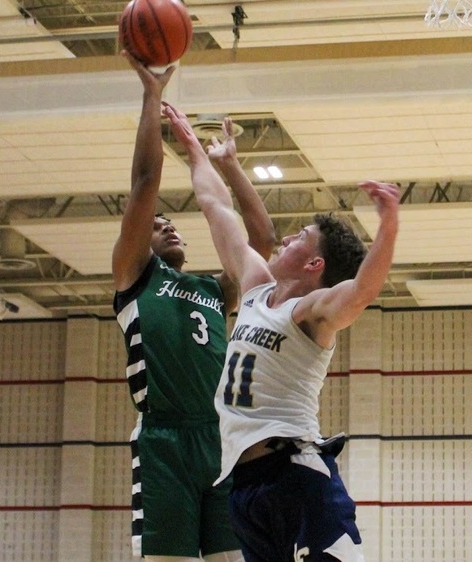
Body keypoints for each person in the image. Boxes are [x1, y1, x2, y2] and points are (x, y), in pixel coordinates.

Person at [164, 102, 399, 562]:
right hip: (244, 486)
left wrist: (388, 224)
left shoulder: (308, 312)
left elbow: (363, 291)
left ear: (316, 265)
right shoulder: (253, 290)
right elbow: (215, 207)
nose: (286, 238)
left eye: (299, 238)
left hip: (296, 476)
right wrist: (196, 148)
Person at [112, 51, 277, 561]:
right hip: (163, 441)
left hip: (218, 437)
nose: (169, 226)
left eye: (172, 223)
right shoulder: (134, 278)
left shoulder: (213, 290)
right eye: (158, 225)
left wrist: (229, 166)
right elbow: (144, 185)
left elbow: (261, 238)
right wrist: (152, 96)